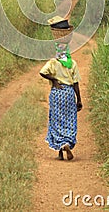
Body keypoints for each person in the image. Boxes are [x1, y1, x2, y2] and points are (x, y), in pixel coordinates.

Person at [39, 17, 82, 161]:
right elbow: (76, 83)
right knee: (69, 119)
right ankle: (66, 143)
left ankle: (60, 147)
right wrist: (79, 100)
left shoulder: (53, 62)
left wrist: (54, 80)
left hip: (57, 93)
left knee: (57, 120)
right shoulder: (73, 63)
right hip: (69, 93)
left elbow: (42, 72)